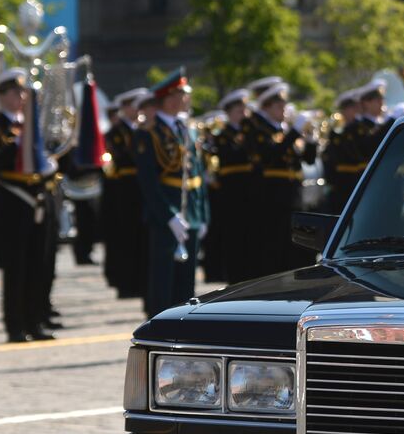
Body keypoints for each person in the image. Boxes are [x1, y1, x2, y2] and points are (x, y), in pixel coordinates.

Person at [0, 67, 58, 343]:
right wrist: (20, 143)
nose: (21, 97)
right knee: (16, 267)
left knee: (40, 264)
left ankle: (35, 322)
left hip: (39, 197)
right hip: (13, 201)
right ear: (2, 96)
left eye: (23, 91)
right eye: (16, 92)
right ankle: (15, 327)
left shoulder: (35, 124)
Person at [133, 68, 208, 317]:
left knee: (187, 284)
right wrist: (169, 215)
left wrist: (203, 214)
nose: (187, 99)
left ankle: (183, 333)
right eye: (183, 95)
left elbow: (197, 175)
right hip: (167, 214)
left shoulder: (187, 129)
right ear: (170, 98)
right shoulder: (149, 133)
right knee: (163, 281)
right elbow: (149, 183)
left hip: (191, 213)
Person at [245, 81, 315, 277]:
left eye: (284, 105)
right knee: (273, 246)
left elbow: (308, 160)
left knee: (293, 246)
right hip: (273, 197)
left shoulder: (284, 131)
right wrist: (294, 133)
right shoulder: (261, 131)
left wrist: (311, 141)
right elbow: (269, 156)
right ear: (266, 107)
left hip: (293, 195)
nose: (284, 109)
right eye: (279, 106)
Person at [101, 88, 148, 300]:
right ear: (125, 108)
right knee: (125, 237)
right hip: (124, 190)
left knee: (141, 237)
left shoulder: (144, 129)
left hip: (141, 188)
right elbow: (122, 158)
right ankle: (126, 284)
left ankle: (140, 281)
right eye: (134, 106)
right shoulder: (115, 132)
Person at [210, 88, 255, 281]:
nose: (244, 115)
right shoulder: (222, 135)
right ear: (228, 113)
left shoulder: (249, 132)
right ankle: (234, 276)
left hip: (249, 191)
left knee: (249, 236)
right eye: (239, 111)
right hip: (231, 191)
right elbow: (233, 156)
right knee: (233, 235)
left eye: (245, 110)